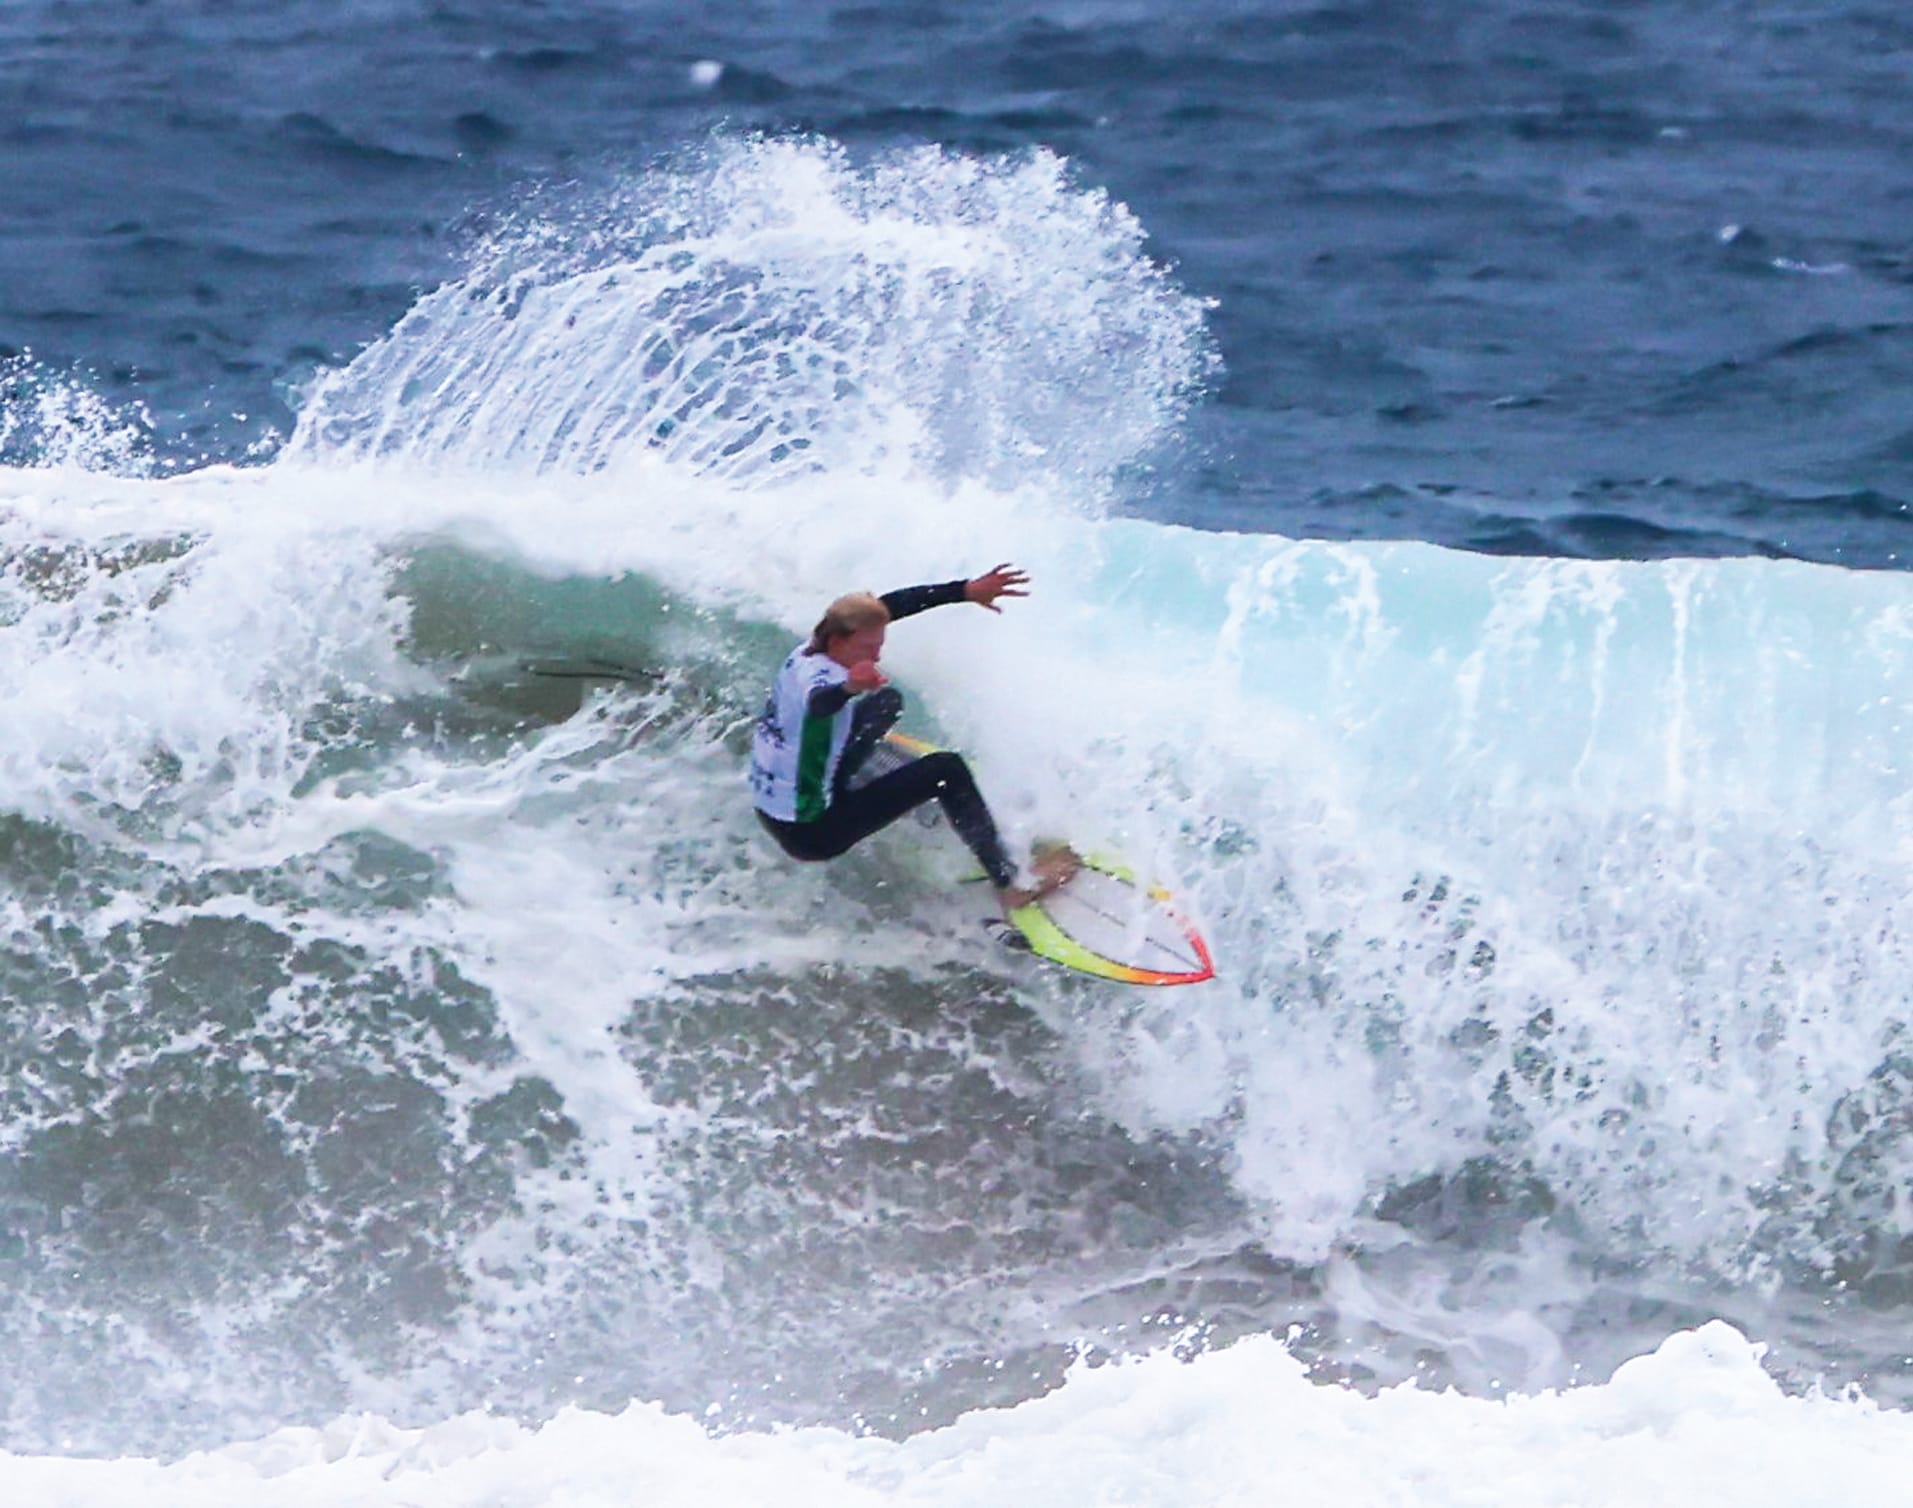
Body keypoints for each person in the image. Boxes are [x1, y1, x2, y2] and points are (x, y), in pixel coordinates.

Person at [750, 563, 1078, 909]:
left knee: (886, 702)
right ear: (838, 640)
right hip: (811, 832)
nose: (875, 656)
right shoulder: (818, 683)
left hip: (775, 805)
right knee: (946, 770)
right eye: (866, 649)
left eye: (877, 645)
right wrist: (849, 687)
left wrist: (966, 590)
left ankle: (864, 783)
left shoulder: (810, 649)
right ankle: (1011, 885)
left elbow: (892, 605)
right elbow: (821, 703)